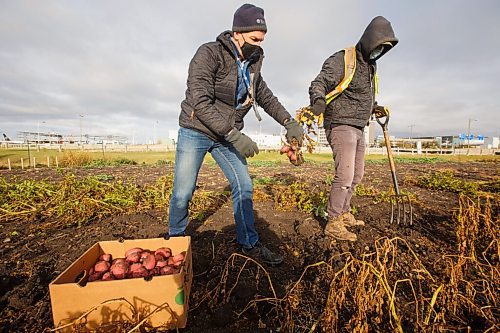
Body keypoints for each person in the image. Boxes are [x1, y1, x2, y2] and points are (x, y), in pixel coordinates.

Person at [167, 4, 304, 265]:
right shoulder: (209, 54)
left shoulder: (253, 64)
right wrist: (234, 135)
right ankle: (175, 242)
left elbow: (265, 97)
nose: (259, 45)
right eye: (254, 39)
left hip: (225, 136)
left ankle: (248, 243)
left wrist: (289, 121)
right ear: (237, 33)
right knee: (183, 192)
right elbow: (201, 102)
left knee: (243, 186)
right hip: (196, 130)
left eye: (262, 40)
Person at [308, 16, 398, 241]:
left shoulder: (370, 65)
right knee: (345, 175)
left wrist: (374, 108)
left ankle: (345, 211)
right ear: (369, 40)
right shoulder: (343, 59)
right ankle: (334, 222)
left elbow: (359, 95)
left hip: (359, 126)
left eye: (384, 49)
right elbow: (318, 83)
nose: (379, 52)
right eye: (378, 46)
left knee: (357, 175)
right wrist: (318, 101)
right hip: (340, 123)